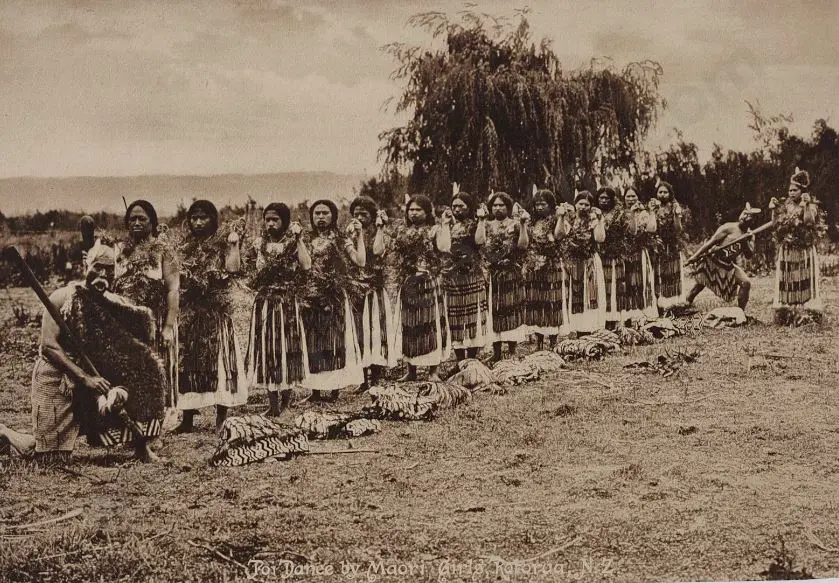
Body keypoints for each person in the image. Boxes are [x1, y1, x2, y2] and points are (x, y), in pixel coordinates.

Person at [0, 240, 166, 464]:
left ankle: (140, 445)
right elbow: (48, 346)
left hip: (93, 374)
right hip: (57, 376)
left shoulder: (113, 302)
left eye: (109, 269)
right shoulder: (63, 297)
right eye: (98, 267)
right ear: (87, 265)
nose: (103, 274)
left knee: (136, 378)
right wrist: (85, 378)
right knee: (51, 458)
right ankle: (8, 435)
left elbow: (128, 347)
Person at [174, 200, 247, 433]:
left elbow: (233, 269)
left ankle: (221, 418)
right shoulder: (185, 247)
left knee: (221, 364)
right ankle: (187, 419)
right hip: (190, 313)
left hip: (215, 312)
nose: (197, 222)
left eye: (203, 217)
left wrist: (234, 245)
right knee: (188, 363)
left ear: (212, 219)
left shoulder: (223, 243)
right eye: (194, 218)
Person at [245, 203, 311, 416]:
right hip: (265, 302)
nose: (271, 223)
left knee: (287, 347)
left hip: (287, 303)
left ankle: (286, 402)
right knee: (268, 350)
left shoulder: (293, 243)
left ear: (284, 222)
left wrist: (299, 239)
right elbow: (246, 270)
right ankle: (273, 404)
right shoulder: (258, 244)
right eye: (267, 219)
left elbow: (306, 265)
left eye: (275, 219)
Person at [113, 200, 180, 407]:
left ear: (152, 222)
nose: (136, 223)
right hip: (126, 323)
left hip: (155, 322)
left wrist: (168, 326)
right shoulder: (120, 250)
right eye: (132, 219)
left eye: (142, 219)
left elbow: (173, 289)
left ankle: (157, 417)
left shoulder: (163, 250)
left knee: (156, 371)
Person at [301, 199, 365, 402]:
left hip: (333, 297)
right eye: (317, 213)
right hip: (310, 296)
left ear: (333, 216)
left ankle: (335, 389)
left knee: (334, 342)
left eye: (325, 213)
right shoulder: (305, 238)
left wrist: (360, 236)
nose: (321, 217)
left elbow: (360, 261)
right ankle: (315, 391)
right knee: (312, 343)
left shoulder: (340, 238)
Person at [391, 195, 452, 381]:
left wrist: (445, 225)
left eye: (418, 210)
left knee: (431, 323)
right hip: (408, 282)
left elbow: (444, 248)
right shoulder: (402, 232)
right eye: (411, 210)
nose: (414, 213)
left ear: (427, 212)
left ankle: (433, 371)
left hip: (428, 282)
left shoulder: (434, 230)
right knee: (410, 324)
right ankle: (411, 371)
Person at [348, 196, 395, 391]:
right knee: (359, 333)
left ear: (372, 215)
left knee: (375, 332)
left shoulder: (381, 233)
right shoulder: (349, 234)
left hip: (374, 290)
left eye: (364, 214)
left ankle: (375, 377)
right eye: (356, 214)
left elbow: (377, 251)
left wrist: (380, 227)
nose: (359, 218)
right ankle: (362, 380)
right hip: (355, 290)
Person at [769, 168, 825, 318]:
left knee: (804, 277)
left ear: (802, 191)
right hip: (788, 248)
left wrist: (805, 205)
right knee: (788, 278)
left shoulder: (810, 204)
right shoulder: (785, 205)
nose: (792, 193)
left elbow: (809, 222)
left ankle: (806, 311)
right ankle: (787, 310)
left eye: (795, 190)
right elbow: (775, 225)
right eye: (790, 190)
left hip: (803, 248)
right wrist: (773, 210)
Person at [685, 203, 761, 310]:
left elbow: (749, 255)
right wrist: (694, 256)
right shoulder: (729, 227)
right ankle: (686, 303)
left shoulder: (750, 236)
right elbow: (710, 243)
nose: (744, 217)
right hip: (713, 261)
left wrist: (746, 242)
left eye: (749, 217)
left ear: (752, 222)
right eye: (744, 214)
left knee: (746, 283)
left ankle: (740, 312)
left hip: (728, 265)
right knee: (699, 286)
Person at [442, 191, 489, 361]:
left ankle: (472, 358)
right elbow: (443, 247)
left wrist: (482, 221)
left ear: (469, 207)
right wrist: (444, 225)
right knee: (455, 316)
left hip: (471, 275)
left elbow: (480, 241)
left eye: (461, 206)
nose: (457, 209)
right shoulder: (447, 226)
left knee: (473, 315)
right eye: (454, 206)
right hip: (453, 278)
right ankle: (460, 360)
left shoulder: (476, 225)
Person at [485, 192, 530, 362]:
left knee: (511, 307)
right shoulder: (487, 225)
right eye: (495, 205)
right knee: (494, 308)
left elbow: (523, 246)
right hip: (493, 272)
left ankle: (512, 350)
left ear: (508, 207)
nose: (498, 208)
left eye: (501, 205)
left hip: (511, 271)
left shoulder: (515, 224)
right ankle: (496, 352)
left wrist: (523, 225)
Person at [524, 189, 568, 351]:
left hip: (551, 265)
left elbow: (559, 236)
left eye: (543, 204)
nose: (539, 207)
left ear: (551, 205)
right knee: (536, 301)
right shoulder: (531, 222)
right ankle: (539, 341)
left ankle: (553, 340)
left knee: (551, 301)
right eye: (537, 204)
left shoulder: (557, 219)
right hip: (534, 265)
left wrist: (561, 217)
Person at [560, 191, 606, 333]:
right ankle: (575, 327)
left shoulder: (594, 219)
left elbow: (600, 238)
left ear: (591, 206)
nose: (583, 207)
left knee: (589, 294)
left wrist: (600, 220)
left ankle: (588, 328)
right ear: (575, 204)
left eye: (587, 205)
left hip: (589, 261)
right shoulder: (569, 218)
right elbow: (561, 235)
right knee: (573, 294)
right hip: (572, 262)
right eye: (581, 204)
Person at [621, 188, 659, 320]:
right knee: (627, 283)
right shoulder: (620, 213)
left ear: (637, 198)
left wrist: (651, 212)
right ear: (624, 198)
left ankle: (644, 313)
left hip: (639, 251)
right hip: (624, 253)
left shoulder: (643, 213)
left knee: (641, 282)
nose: (631, 199)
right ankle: (629, 314)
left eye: (633, 196)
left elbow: (651, 229)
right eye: (628, 196)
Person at [649, 180, 686, 309]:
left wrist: (676, 215)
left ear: (670, 194)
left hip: (671, 244)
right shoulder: (653, 206)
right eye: (660, 192)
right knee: (657, 272)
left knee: (672, 272)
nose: (662, 194)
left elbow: (678, 229)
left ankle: (672, 303)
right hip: (656, 244)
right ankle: (658, 302)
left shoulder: (675, 207)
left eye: (665, 192)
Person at [597, 186, 629, 328]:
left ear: (612, 200)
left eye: (606, 198)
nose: (603, 201)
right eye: (601, 198)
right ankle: (602, 320)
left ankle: (614, 320)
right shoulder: (594, 213)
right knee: (601, 288)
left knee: (614, 287)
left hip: (614, 257)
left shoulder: (619, 214)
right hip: (598, 257)